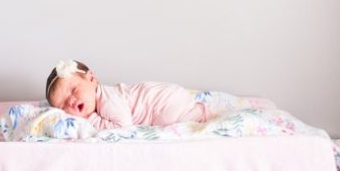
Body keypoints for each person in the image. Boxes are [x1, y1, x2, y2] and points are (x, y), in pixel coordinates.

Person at [44, 59, 274, 130]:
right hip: (167, 94)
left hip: (163, 102)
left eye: (73, 91)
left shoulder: (108, 101)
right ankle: (207, 111)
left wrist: (91, 121)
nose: (72, 101)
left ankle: (216, 114)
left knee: (181, 120)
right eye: (63, 104)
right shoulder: (100, 97)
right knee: (187, 113)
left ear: (92, 79)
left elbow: (123, 125)